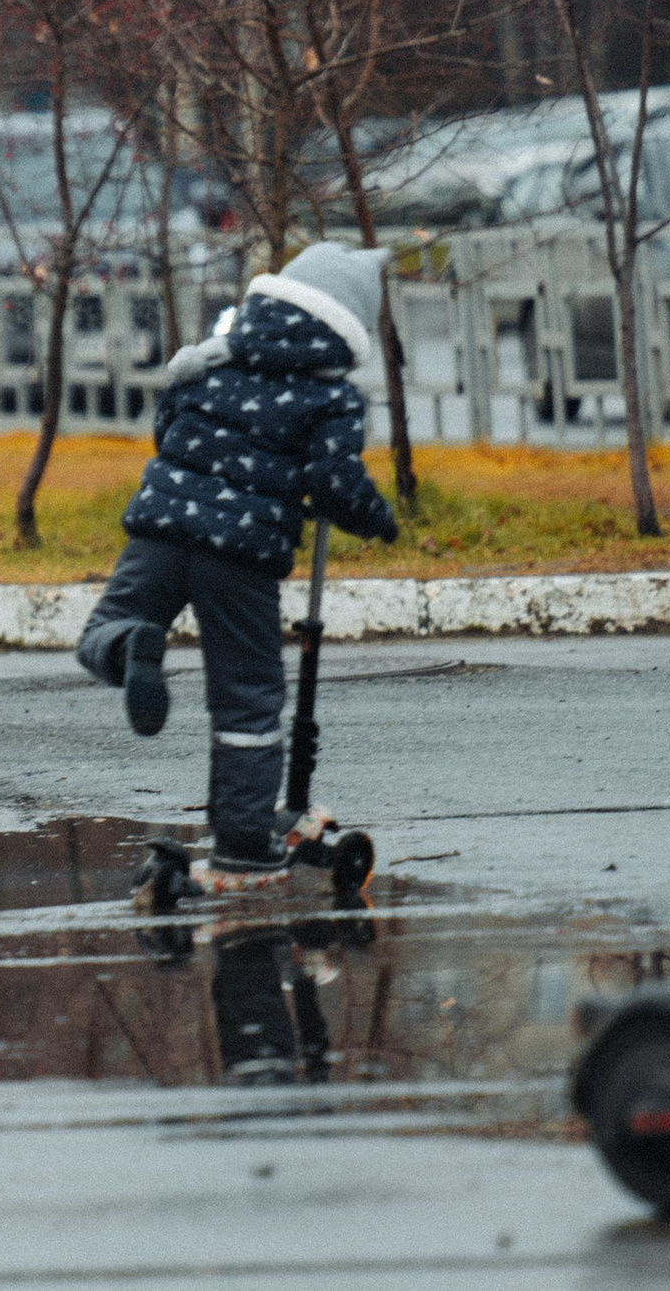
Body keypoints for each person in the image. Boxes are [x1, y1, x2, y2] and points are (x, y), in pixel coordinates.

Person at [76, 242, 400, 889]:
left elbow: (166, 427)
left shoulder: (211, 361)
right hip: (240, 559)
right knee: (246, 702)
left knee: (99, 630)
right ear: (347, 328)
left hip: (159, 536)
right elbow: (334, 481)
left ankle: (129, 647)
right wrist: (376, 519)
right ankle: (245, 840)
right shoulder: (330, 397)